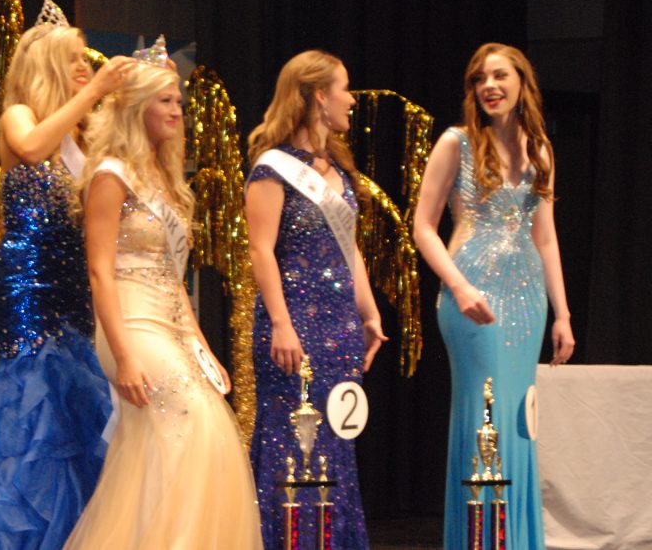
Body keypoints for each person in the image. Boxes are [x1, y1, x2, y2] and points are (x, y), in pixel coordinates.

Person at [64, 46, 263, 549]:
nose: (178, 111)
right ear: (137, 108)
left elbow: (173, 277)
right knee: (194, 426)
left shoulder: (163, 179)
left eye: (179, 101)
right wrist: (125, 355)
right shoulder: (111, 174)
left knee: (199, 438)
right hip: (130, 325)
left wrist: (201, 344)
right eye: (165, 101)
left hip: (169, 325)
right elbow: (98, 271)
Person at [0, 0, 133, 549]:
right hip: (27, 281)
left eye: (87, 61)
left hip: (73, 287)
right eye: (74, 60)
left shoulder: (85, 138)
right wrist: (93, 91)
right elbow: (32, 147)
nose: (86, 69)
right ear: (46, 66)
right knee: (30, 408)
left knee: (72, 413)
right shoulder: (19, 116)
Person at [413, 43, 574, 550]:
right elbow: (422, 226)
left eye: (500, 75)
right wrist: (458, 287)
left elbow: (545, 238)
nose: (490, 86)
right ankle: (482, 539)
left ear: (522, 83)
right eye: (480, 78)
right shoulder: (455, 142)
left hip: (527, 300)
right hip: (470, 298)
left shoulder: (540, 150)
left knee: (518, 421)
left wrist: (563, 315)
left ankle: (516, 540)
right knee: (487, 416)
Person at [245, 49, 387, 550]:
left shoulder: (339, 173)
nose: (351, 99)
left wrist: (369, 315)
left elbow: (350, 254)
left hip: (341, 330)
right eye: (344, 89)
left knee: (335, 453)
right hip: (294, 330)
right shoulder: (273, 168)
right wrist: (281, 324)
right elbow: (261, 250)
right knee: (293, 450)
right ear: (318, 96)